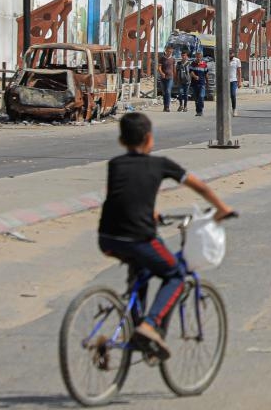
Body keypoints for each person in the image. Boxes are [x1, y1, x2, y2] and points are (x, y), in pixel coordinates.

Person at [98, 112, 235, 359]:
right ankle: (149, 325)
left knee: (141, 272)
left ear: (121, 141)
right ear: (150, 139)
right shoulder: (160, 165)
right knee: (175, 273)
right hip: (139, 237)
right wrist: (223, 209)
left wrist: (152, 213)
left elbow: (122, 196)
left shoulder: (115, 164)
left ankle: (136, 331)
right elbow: (200, 186)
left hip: (107, 238)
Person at [189, 51, 209, 116]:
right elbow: (191, 72)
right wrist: (195, 76)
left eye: (199, 57)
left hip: (202, 83)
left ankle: (201, 108)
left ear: (201, 57)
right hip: (195, 84)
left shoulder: (204, 65)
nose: (198, 58)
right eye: (197, 57)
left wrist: (207, 82)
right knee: (196, 98)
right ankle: (198, 111)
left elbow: (206, 74)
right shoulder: (193, 64)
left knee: (201, 96)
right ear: (195, 57)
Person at [157, 46, 175, 112]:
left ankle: (167, 107)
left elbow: (174, 69)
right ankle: (165, 106)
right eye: (168, 51)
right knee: (164, 92)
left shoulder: (173, 59)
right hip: (163, 78)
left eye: (170, 51)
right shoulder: (162, 58)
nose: (169, 53)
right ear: (166, 51)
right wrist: (161, 73)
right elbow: (159, 68)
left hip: (170, 77)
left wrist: (175, 77)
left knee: (168, 91)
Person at [228, 52, 241, 117]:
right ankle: (226, 110)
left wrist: (239, 81)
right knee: (225, 96)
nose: (231, 55)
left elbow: (239, 72)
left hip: (233, 80)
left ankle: (234, 109)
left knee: (233, 94)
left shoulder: (237, 60)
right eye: (229, 54)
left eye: (231, 54)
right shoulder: (224, 59)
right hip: (225, 81)